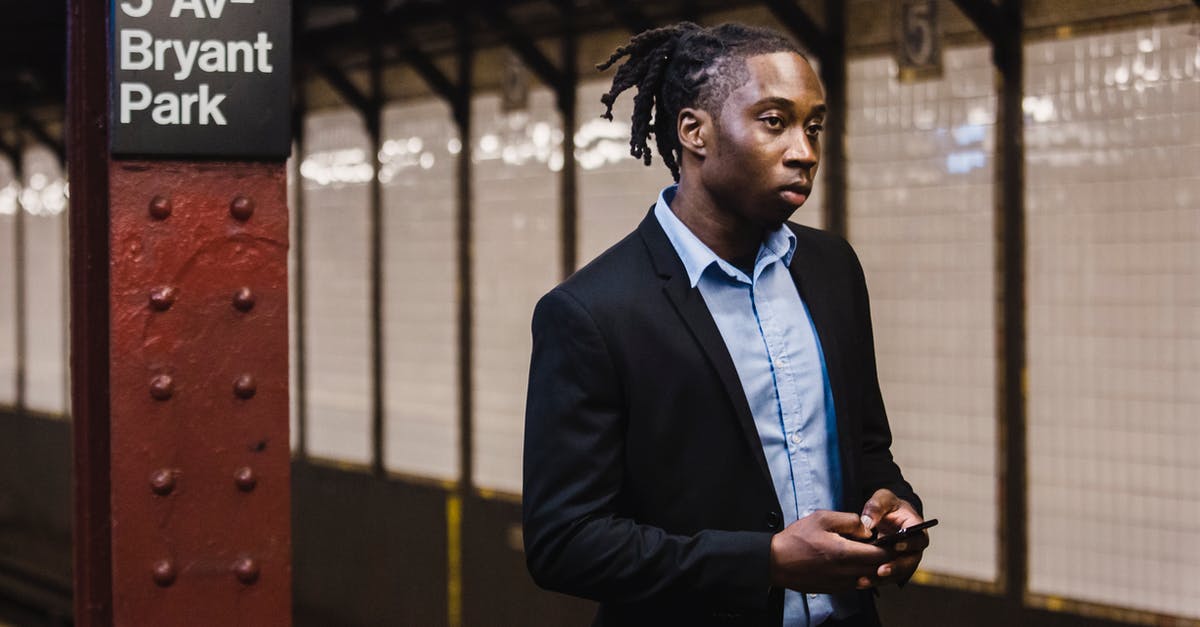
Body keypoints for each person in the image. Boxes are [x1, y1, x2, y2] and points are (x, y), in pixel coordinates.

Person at [522, 22, 927, 627]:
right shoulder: (592, 313)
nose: (804, 151)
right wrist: (763, 561)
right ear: (694, 132)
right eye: (775, 121)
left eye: (814, 125)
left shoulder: (832, 269)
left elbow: (866, 446)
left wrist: (895, 504)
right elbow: (565, 543)